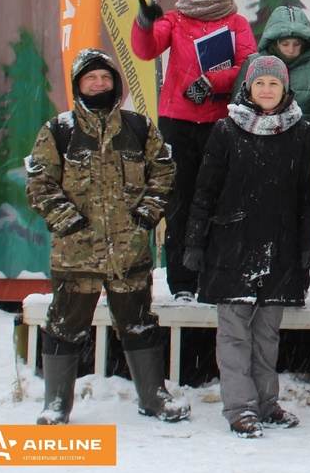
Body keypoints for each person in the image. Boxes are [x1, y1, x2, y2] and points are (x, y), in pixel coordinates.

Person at [25, 49, 190, 426]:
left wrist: (146, 216)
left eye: (105, 77)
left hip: (129, 254)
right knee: (64, 328)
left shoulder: (138, 127)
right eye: (91, 78)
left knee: (140, 325)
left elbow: (164, 173)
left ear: (115, 83)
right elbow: (39, 183)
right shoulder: (59, 130)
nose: (99, 84)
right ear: (78, 85)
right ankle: (56, 404)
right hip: (75, 256)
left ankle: (154, 397)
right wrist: (68, 222)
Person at [184, 56, 310, 437]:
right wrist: (195, 241)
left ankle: (266, 403)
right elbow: (205, 191)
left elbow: (308, 196)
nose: (266, 90)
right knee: (234, 333)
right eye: (259, 83)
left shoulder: (302, 132)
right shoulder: (226, 130)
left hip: (280, 247)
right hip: (231, 246)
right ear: (247, 87)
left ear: (285, 88)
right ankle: (240, 407)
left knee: (267, 334)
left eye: (274, 83)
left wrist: (308, 244)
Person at [133, 0, 256, 299]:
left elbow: (249, 66)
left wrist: (212, 81)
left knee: (217, 200)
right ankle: (183, 283)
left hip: (220, 122)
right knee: (180, 202)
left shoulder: (236, 23)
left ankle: (213, 277)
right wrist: (144, 25)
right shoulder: (174, 19)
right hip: (178, 123)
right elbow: (147, 50)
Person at [234, 5, 310, 129]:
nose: (291, 50)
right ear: (275, 42)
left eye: (296, 44)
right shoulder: (255, 63)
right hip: (259, 134)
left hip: (307, 134)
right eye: (285, 44)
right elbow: (238, 105)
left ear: (304, 44)